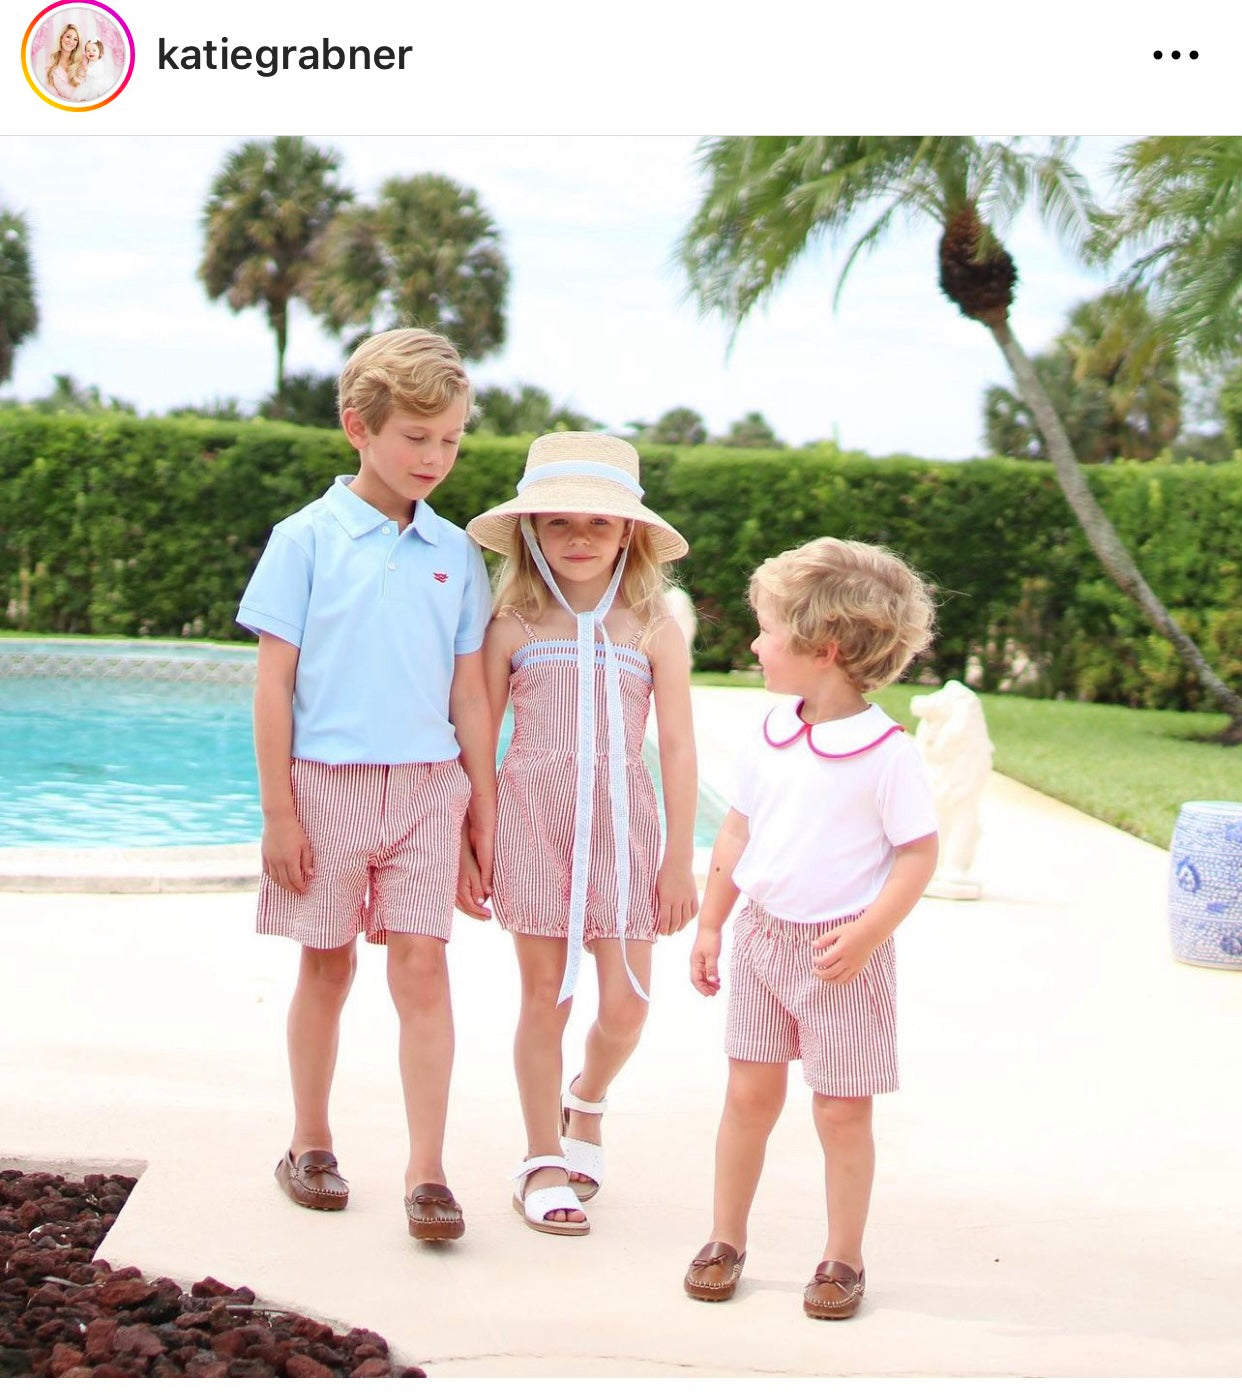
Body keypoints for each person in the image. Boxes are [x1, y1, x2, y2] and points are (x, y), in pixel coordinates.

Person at [235, 327, 495, 1243]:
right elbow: (273, 684)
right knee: (328, 963)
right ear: (359, 427)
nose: (435, 456)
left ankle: (428, 1172)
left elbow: (470, 693)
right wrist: (279, 813)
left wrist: (482, 813)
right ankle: (309, 1144)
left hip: (428, 792)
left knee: (424, 966)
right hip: (325, 788)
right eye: (416, 437)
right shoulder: (303, 540)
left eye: (450, 439)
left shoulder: (458, 553)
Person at [684, 537, 938, 1317]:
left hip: (842, 956)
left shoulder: (887, 754)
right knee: (747, 1097)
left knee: (840, 1109)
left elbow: (918, 855)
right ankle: (725, 1238)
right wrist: (711, 925)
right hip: (763, 941)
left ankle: (842, 1258)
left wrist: (867, 936)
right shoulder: (768, 734)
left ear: (823, 647)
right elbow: (737, 832)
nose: (754, 645)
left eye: (766, 631)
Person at [463, 433, 699, 1236]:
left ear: (629, 532)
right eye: (559, 521)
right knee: (544, 997)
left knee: (627, 1006)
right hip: (535, 824)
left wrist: (678, 858)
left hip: (624, 832)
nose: (579, 537)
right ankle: (541, 1158)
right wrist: (477, 833)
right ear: (531, 529)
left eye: (598, 522)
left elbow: (678, 746)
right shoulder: (512, 626)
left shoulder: (653, 627)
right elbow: (480, 736)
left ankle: (586, 1100)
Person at [44, 23, 83, 100]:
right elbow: (52, 95)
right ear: (61, 38)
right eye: (68, 37)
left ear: (77, 44)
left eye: (75, 39)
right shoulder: (51, 65)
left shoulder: (83, 61)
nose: (71, 41)